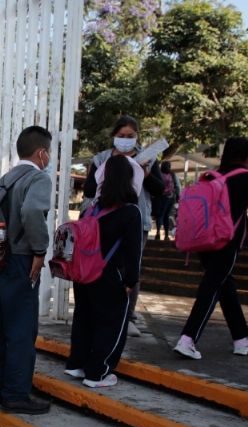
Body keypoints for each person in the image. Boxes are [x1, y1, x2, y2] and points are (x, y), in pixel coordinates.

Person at [0, 126, 53, 415]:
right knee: (21, 328)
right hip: (20, 259)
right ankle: (15, 394)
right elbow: (33, 212)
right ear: (41, 153)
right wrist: (40, 249)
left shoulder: (6, 178)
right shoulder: (38, 178)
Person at [174, 137, 248, 360]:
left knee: (225, 286)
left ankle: (241, 339)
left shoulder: (212, 176)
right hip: (227, 240)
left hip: (203, 240)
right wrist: (246, 226)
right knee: (213, 287)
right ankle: (188, 339)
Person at [65, 156, 144, 388]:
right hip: (109, 274)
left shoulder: (90, 210)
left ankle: (76, 364)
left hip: (83, 275)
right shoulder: (130, 212)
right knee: (111, 323)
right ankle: (98, 373)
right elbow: (133, 252)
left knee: (84, 318)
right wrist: (131, 280)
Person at [83, 116, 165, 337]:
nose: (126, 140)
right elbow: (89, 189)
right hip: (102, 221)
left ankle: (127, 316)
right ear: (114, 136)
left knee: (131, 267)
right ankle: (99, 312)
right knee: (102, 266)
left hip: (135, 220)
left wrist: (144, 174)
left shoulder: (148, 159)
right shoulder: (101, 158)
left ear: (138, 137)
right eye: (121, 136)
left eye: (130, 136)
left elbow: (159, 190)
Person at [154, 161, 180, 241]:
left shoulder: (159, 174)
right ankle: (166, 235)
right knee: (166, 216)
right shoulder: (172, 174)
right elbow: (176, 186)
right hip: (170, 198)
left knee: (159, 215)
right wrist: (177, 196)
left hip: (160, 197)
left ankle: (158, 233)